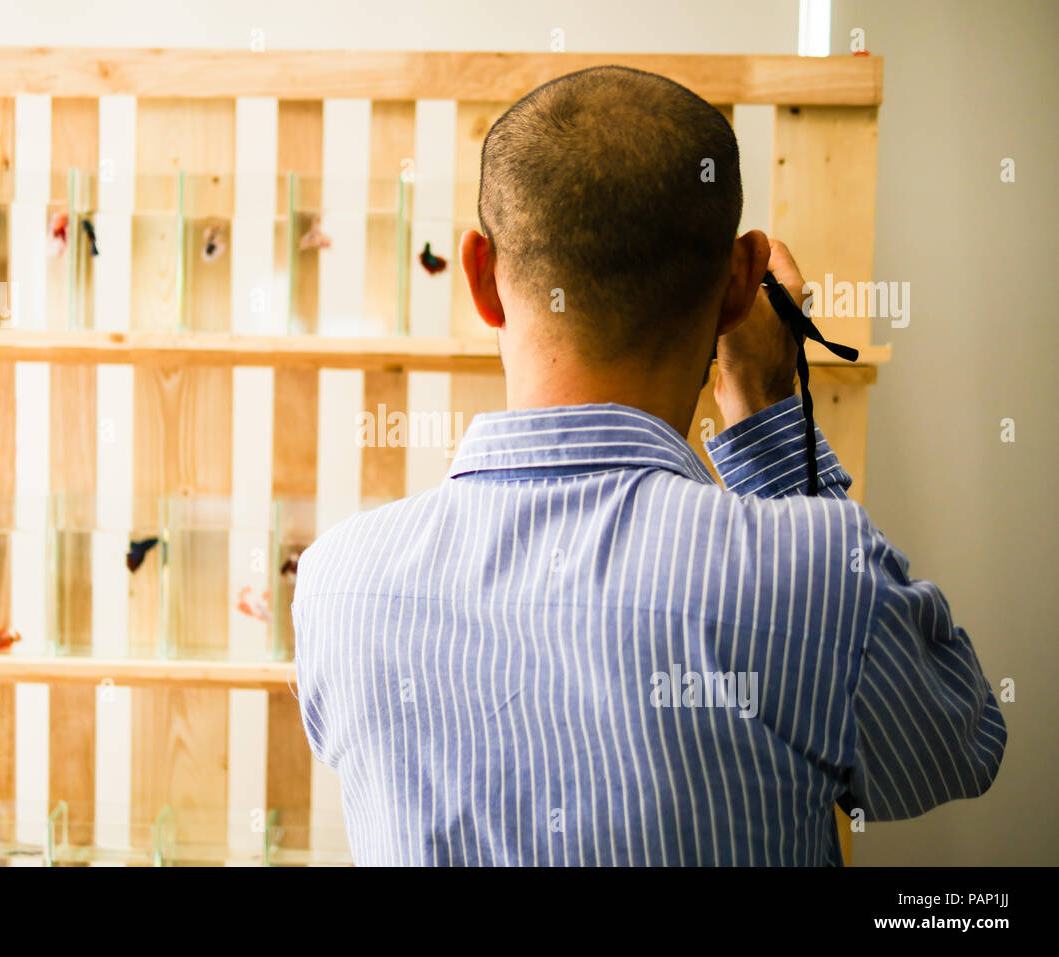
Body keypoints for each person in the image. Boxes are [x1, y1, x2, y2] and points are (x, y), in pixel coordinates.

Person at [292, 65, 1005, 866]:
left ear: (481, 276)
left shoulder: (337, 586)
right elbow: (959, 744)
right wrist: (768, 412)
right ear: (742, 282)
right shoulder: (810, 576)